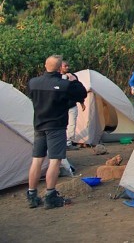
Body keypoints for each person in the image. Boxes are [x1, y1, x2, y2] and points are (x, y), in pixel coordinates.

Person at [27, 54, 87, 209]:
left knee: (37, 160)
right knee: (55, 160)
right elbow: (81, 94)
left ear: (45, 66)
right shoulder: (64, 85)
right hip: (56, 127)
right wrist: (74, 80)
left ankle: (32, 194)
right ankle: (50, 195)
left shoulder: (33, 83)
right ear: (61, 68)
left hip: (39, 126)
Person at [59, 60, 85, 149]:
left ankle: (69, 143)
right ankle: (61, 142)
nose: (67, 67)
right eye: (65, 66)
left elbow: (77, 91)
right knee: (62, 124)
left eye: (68, 66)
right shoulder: (57, 77)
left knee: (72, 124)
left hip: (72, 104)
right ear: (60, 67)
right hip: (61, 105)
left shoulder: (73, 76)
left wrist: (82, 102)